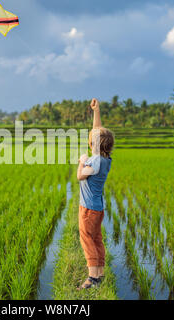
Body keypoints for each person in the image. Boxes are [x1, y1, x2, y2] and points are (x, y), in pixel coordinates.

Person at [76, 98, 114, 290]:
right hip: (97, 209)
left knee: (87, 239)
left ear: (95, 145)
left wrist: (82, 161)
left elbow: (80, 176)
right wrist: (96, 111)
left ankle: (92, 278)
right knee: (97, 238)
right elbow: (97, 131)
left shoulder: (94, 162)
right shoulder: (105, 159)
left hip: (88, 209)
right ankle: (99, 273)